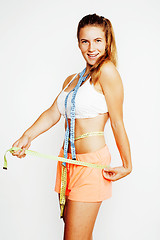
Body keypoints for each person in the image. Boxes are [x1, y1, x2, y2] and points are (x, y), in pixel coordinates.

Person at [11, 13, 132, 240]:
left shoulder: (107, 72)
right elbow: (53, 112)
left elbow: (117, 121)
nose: (91, 48)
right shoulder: (72, 79)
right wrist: (26, 136)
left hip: (91, 165)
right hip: (67, 163)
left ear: (107, 42)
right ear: (78, 43)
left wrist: (127, 164)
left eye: (98, 41)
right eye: (85, 41)